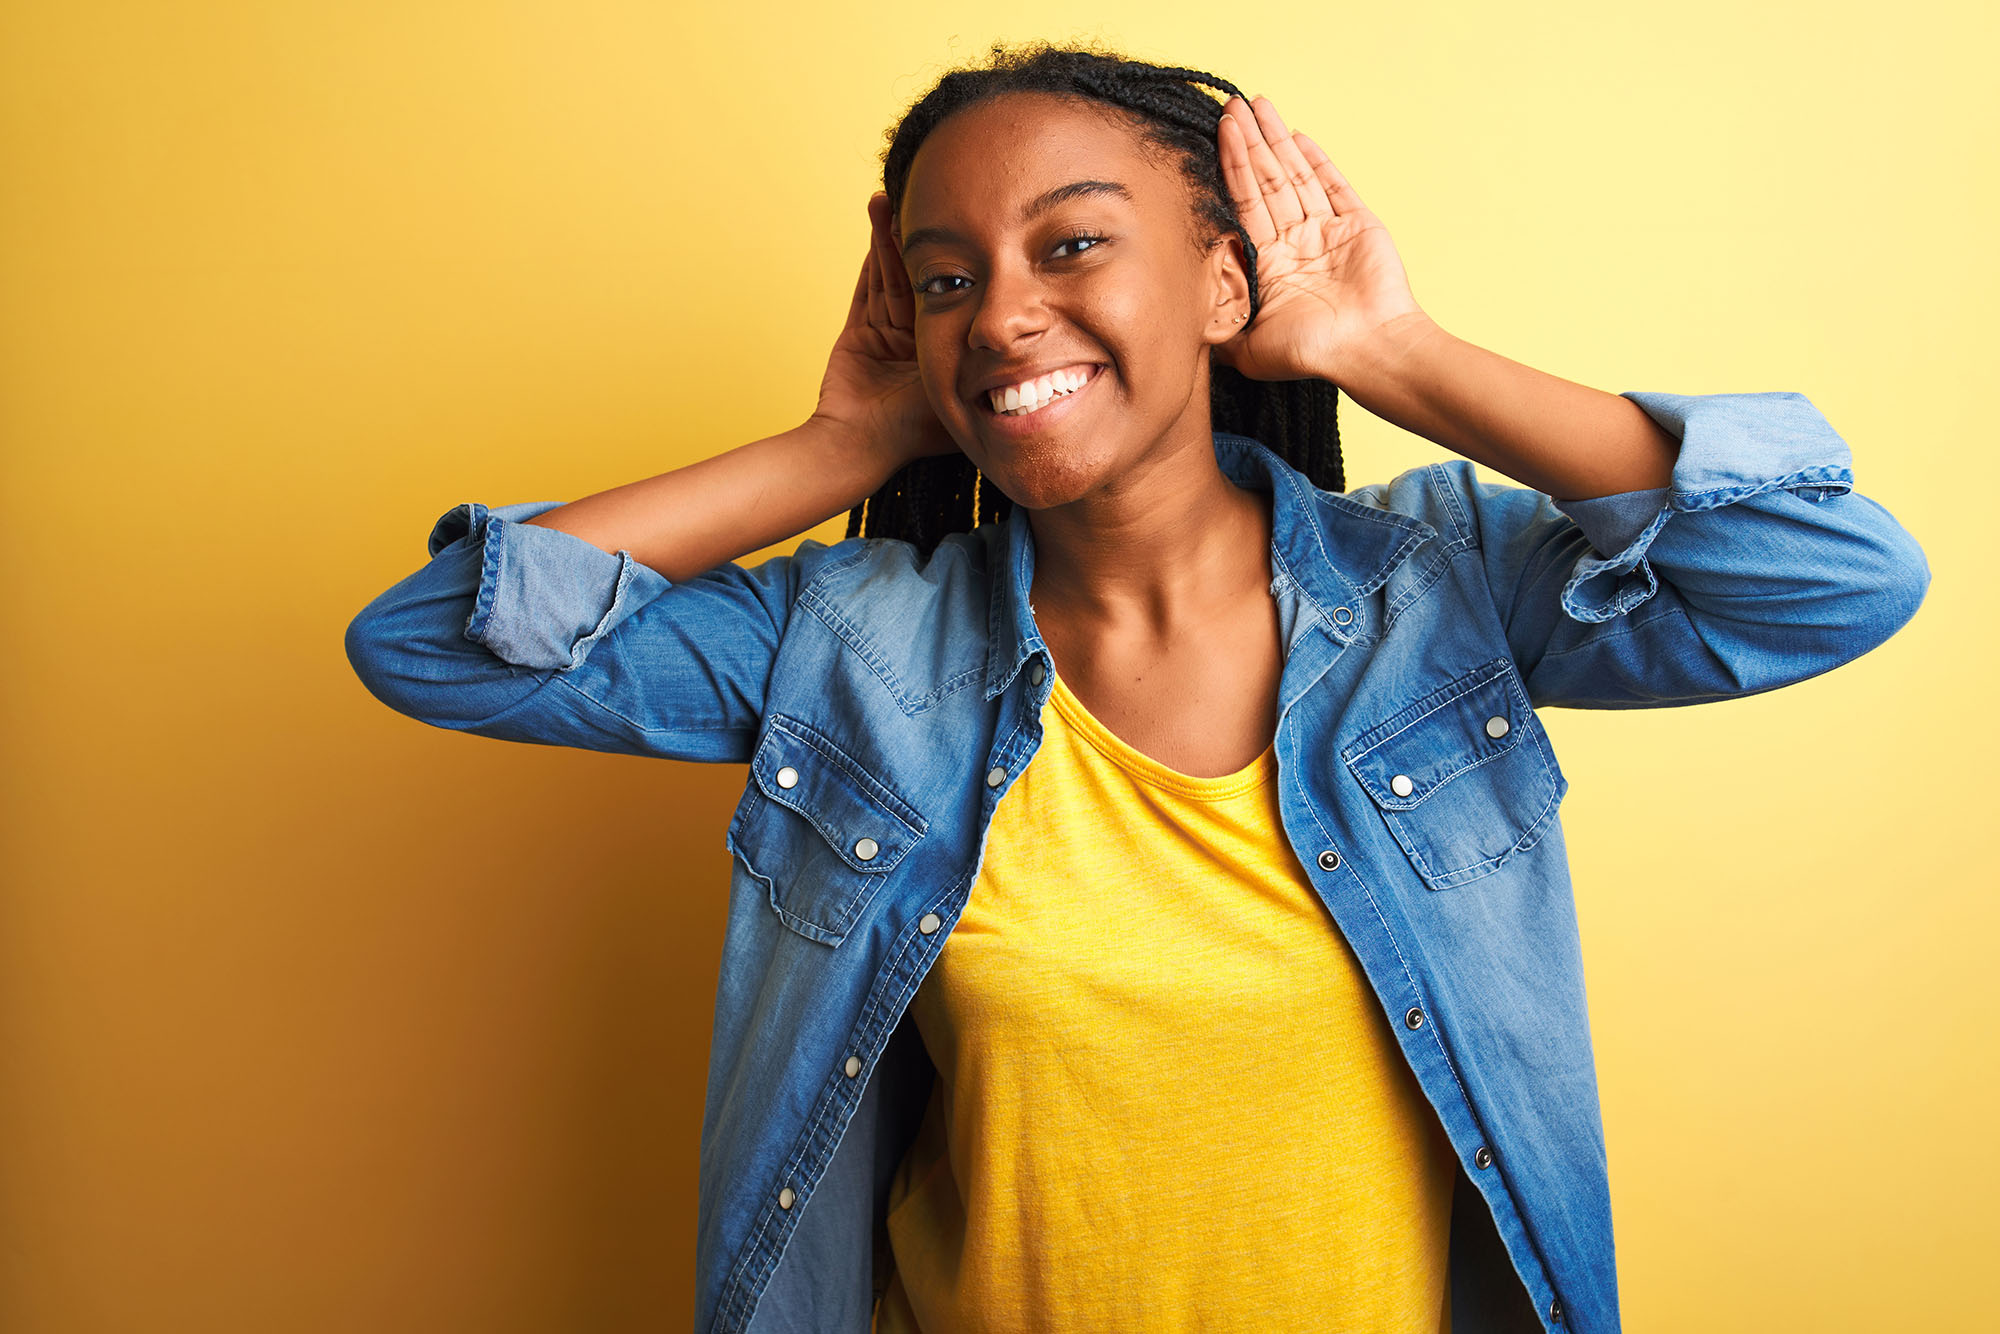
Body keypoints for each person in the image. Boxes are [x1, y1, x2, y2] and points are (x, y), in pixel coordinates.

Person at [344, 41, 1931, 1334]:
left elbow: (1832, 574)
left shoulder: (1437, 596)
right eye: (946, 276)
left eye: (1074, 242)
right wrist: (845, 444)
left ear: (1225, 287)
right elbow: (429, 639)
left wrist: (1391, 349)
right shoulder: (852, 650)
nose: (1005, 311)